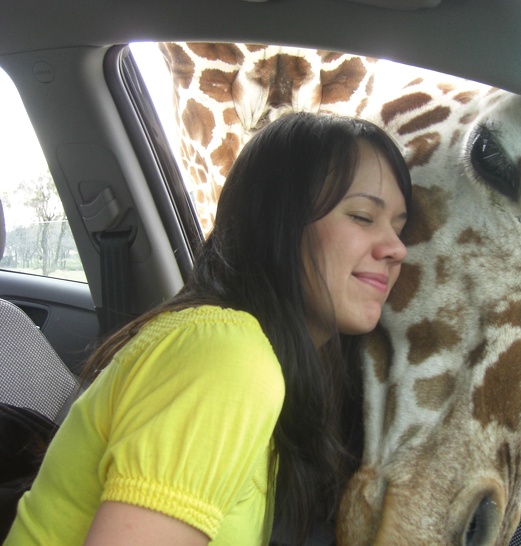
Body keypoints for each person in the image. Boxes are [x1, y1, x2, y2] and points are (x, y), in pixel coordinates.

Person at [4, 112, 412, 545]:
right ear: (278, 222)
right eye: (363, 217)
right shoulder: (227, 354)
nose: (397, 249)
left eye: (400, 228)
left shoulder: (261, 359)